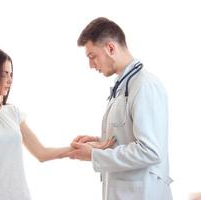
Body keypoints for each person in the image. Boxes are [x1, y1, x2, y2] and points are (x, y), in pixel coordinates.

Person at [67, 17, 173, 200]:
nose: (91, 65)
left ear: (110, 48)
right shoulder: (124, 85)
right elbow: (131, 136)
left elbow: (150, 150)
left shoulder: (144, 86)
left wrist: (94, 154)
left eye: (92, 56)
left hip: (143, 193)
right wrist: (101, 141)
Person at [0, 47, 75, 200]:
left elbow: (41, 153)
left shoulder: (13, 112)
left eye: (11, 74)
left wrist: (76, 148)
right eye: (4, 74)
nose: (10, 80)